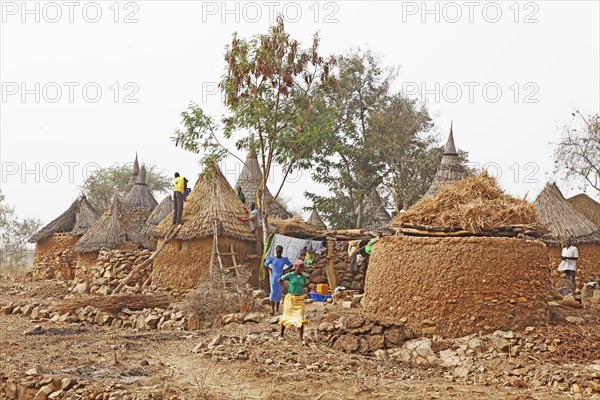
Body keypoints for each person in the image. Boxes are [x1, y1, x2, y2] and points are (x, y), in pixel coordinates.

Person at [278, 260, 308, 344]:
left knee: (300, 318)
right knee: (286, 316)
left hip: (300, 300)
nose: (300, 268)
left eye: (302, 266)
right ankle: (281, 335)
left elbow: (302, 286)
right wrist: (286, 287)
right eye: (298, 266)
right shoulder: (290, 275)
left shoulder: (303, 277)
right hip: (290, 299)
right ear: (295, 267)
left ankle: (301, 338)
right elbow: (280, 280)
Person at [264, 245, 293, 315]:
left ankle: (277, 310)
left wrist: (284, 270)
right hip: (273, 277)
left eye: (280, 251)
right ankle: (272, 310)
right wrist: (270, 269)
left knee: (279, 292)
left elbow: (291, 265)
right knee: (273, 292)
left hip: (281, 277)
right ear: (276, 251)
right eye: (278, 251)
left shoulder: (284, 259)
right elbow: (265, 264)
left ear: (282, 252)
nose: (279, 252)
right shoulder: (272, 259)